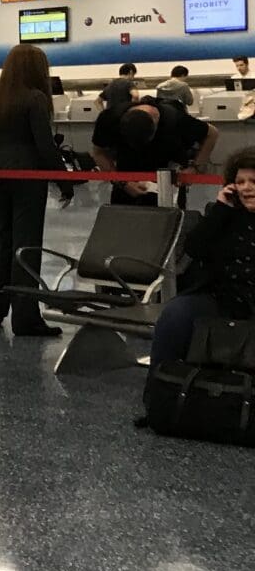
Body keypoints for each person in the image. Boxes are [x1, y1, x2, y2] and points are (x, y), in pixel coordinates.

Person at [0, 45, 71, 338]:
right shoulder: (35, 98)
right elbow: (44, 147)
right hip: (28, 177)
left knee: (3, 241)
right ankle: (26, 318)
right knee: (26, 245)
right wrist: (64, 182)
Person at [149, 149, 255, 370]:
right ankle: (163, 385)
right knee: (176, 314)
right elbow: (194, 248)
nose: (246, 187)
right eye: (240, 182)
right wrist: (220, 210)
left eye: (253, 181)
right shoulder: (226, 215)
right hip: (222, 296)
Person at [93, 92, 217, 207]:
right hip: (125, 180)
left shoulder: (175, 120)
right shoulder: (109, 119)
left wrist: (195, 167)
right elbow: (99, 153)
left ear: (155, 126)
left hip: (167, 182)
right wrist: (122, 182)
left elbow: (212, 133)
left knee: (167, 223)